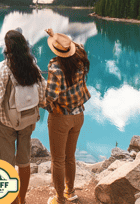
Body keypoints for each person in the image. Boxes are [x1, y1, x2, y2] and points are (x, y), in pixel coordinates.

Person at [0, 29, 47, 204]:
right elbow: (42, 92)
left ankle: (12, 200)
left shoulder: (4, 67)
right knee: (24, 161)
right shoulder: (33, 66)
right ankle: (22, 198)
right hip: (27, 120)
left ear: (7, 47)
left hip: (6, 121)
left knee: (6, 163)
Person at [44, 29, 90, 204]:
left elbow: (50, 96)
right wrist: (54, 36)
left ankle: (59, 198)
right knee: (70, 157)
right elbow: (76, 47)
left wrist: (46, 106)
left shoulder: (56, 68)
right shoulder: (80, 62)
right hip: (78, 116)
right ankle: (70, 192)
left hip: (60, 118)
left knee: (57, 160)